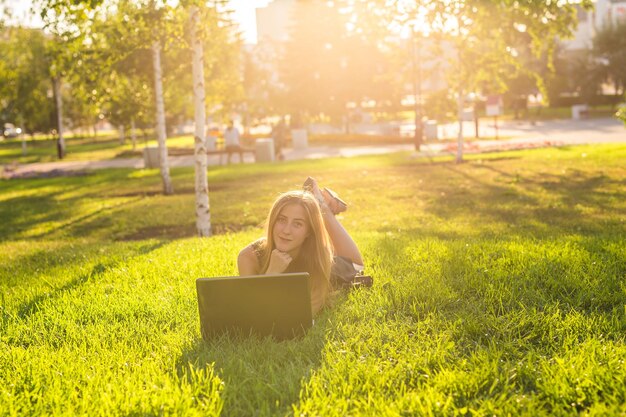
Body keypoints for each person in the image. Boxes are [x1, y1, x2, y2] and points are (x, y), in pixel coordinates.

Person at [238, 177, 361, 315]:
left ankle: (324, 209)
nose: (286, 230)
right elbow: (253, 312)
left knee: (355, 266)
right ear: (273, 221)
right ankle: (321, 204)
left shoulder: (318, 256)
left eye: (297, 224)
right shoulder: (248, 257)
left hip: (311, 252)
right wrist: (272, 273)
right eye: (281, 219)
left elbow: (305, 314)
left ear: (309, 231)